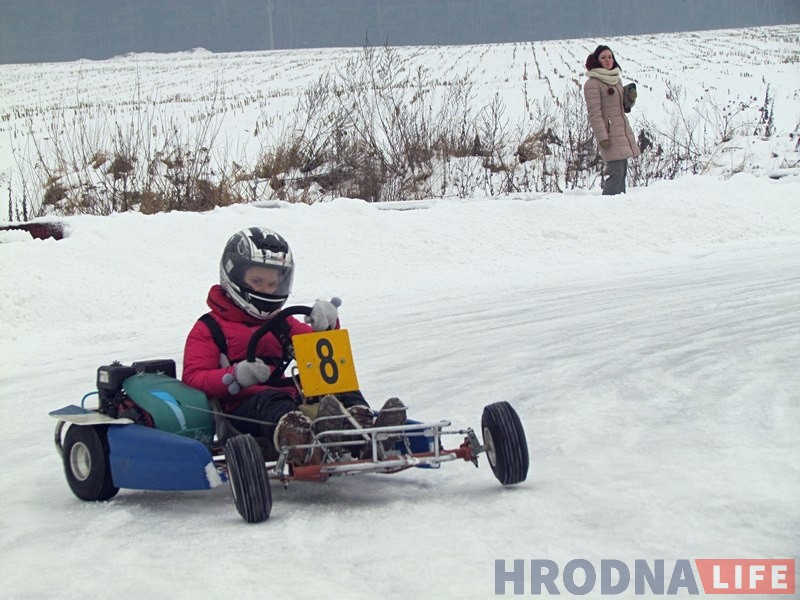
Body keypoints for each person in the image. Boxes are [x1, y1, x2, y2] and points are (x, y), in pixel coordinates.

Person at [182, 226, 405, 465]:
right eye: (257, 281)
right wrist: (235, 375)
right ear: (233, 276)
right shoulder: (210, 327)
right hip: (244, 408)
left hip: (290, 400)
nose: (267, 290)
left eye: (272, 284)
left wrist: (327, 325)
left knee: (340, 386)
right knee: (273, 402)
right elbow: (193, 379)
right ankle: (305, 444)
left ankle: (362, 431)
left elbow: (321, 354)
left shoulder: (283, 322)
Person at [583, 45, 640, 195]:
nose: (608, 60)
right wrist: (602, 137)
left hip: (622, 131)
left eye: (610, 57)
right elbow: (594, 114)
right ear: (597, 61)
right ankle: (608, 205)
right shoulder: (592, 84)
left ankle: (620, 203)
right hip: (609, 135)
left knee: (622, 173)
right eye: (603, 58)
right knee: (616, 173)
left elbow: (621, 107)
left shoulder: (616, 80)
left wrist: (629, 99)